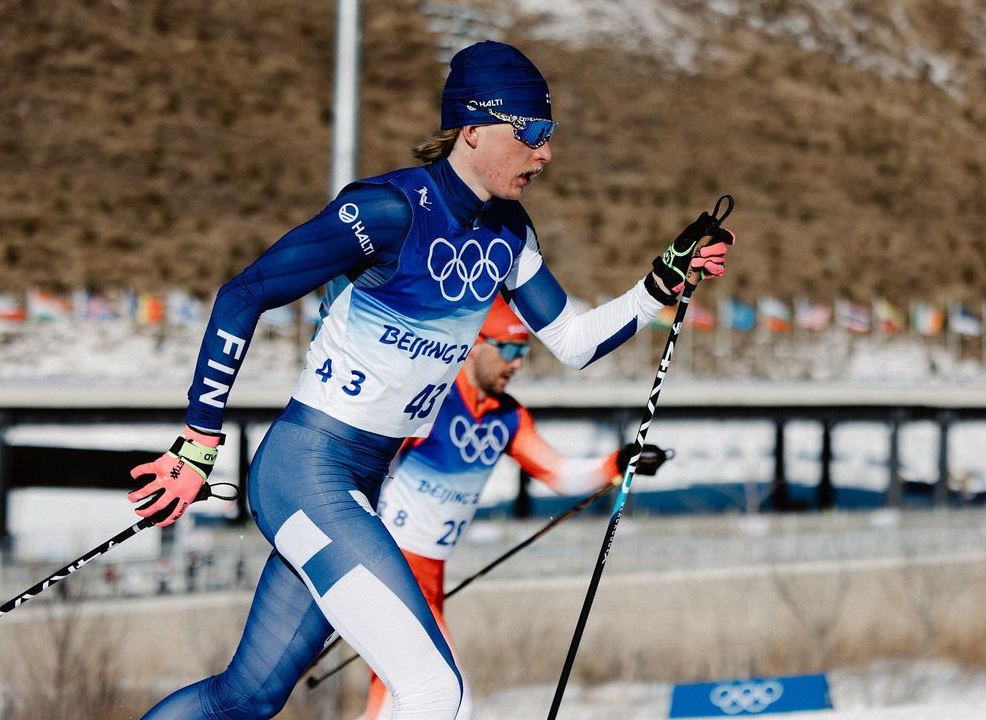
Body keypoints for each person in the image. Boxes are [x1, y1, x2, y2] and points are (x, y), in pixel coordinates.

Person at [126, 39, 734, 720]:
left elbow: (574, 341)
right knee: (434, 692)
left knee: (248, 695)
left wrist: (661, 283)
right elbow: (243, 295)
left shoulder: (509, 233)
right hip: (306, 468)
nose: (545, 153)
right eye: (531, 132)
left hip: (362, 481)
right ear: (473, 129)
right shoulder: (389, 211)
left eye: (550, 134)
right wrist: (197, 445)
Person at [362, 296, 671, 720]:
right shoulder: (432, 396)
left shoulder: (508, 418)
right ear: (475, 343)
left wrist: (618, 463)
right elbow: (368, 456)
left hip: (431, 573)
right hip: (391, 561)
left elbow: (558, 474)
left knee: (395, 699)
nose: (517, 363)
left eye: (523, 353)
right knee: (448, 700)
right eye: (508, 350)